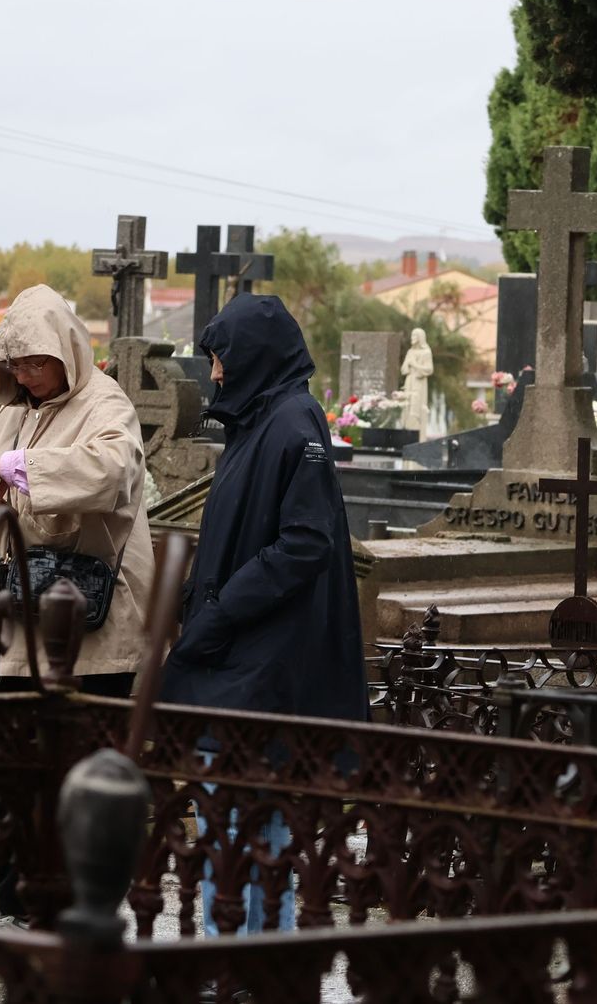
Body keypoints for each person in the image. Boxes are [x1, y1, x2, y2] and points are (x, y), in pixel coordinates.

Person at [160, 292, 367, 940]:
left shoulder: (292, 423)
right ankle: (243, 956)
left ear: (253, 357)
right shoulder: (261, 423)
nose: (215, 374)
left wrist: (221, 610)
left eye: (222, 359)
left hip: (263, 662)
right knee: (238, 815)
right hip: (244, 654)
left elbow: (305, 541)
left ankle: (251, 958)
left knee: (253, 817)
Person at [0, 284, 153, 696]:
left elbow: (113, 469)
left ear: (65, 351)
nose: (24, 377)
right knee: (9, 749)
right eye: (16, 366)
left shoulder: (105, 403)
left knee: (76, 750)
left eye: (35, 365)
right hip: (13, 619)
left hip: (89, 631)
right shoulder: (13, 412)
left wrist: (16, 468)